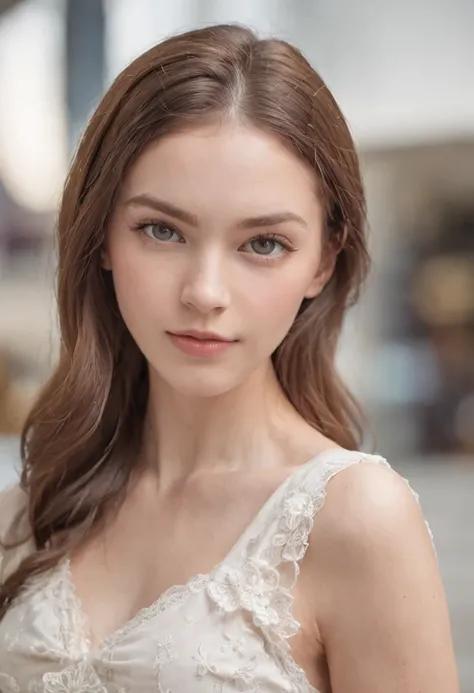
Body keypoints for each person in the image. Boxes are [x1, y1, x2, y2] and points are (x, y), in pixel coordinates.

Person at [0, 24, 458, 693]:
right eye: (162, 230)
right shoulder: (29, 510)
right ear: (100, 237)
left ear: (323, 262)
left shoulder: (355, 519)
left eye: (263, 243)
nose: (205, 292)